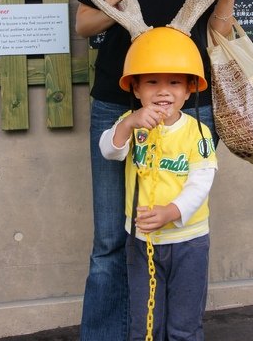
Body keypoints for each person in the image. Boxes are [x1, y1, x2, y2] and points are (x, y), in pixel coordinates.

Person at [76, 0, 250, 340]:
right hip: (119, 105)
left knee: (177, 230)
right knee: (112, 237)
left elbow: (216, 35)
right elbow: (84, 26)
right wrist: (108, 1)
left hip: (190, 105)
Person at [99, 26, 217, 339]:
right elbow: (109, 150)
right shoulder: (131, 123)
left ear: (190, 88)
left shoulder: (198, 132)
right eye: (152, 82)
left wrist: (172, 212)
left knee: (184, 325)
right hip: (141, 241)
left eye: (174, 82)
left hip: (189, 241)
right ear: (136, 89)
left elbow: (201, 180)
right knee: (144, 323)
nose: (163, 91)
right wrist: (128, 124)